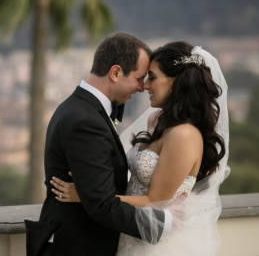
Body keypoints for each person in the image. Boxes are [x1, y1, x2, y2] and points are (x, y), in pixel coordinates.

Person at [49, 42, 230, 255]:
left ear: (177, 82)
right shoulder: (156, 120)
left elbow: (154, 201)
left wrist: (88, 195)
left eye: (152, 77)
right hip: (129, 234)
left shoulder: (184, 135)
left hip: (156, 243)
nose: (144, 86)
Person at [26, 32, 169, 256]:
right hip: (78, 246)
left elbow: (95, 190)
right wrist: (164, 225)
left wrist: (87, 191)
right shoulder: (86, 120)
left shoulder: (78, 107)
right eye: (139, 78)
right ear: (115, 73)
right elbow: (102, 205)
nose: (142, 87)